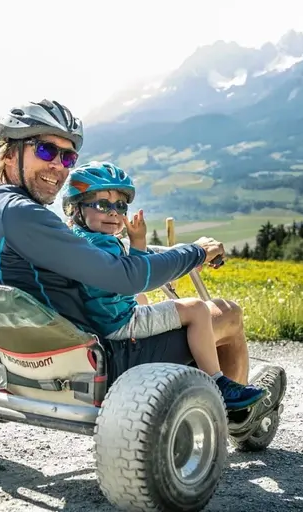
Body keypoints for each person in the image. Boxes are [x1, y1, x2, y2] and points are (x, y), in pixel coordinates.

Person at [0, 99, 265, 412]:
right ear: (10, 152)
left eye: (68, 156)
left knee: (150, 306)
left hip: (26, 357)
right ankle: (233, 414)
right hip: (99, 360)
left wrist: (162, 253)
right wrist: (196, 252)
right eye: (45, 150)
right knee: (227, 313)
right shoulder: (23, 216)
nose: (58, 166)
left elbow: (87, 254)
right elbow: (125, 276)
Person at [61, 161, 265, 410]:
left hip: (99, 322)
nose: (114, 213)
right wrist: (139, 241)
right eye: (103, 205)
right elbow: (134, 277)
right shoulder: (105, 245)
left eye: (120, 205)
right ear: (76, 209)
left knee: (149, 302)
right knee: (197, 308)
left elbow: (124, 274)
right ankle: (219, 382)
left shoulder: (77, 241)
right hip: (120, 326)